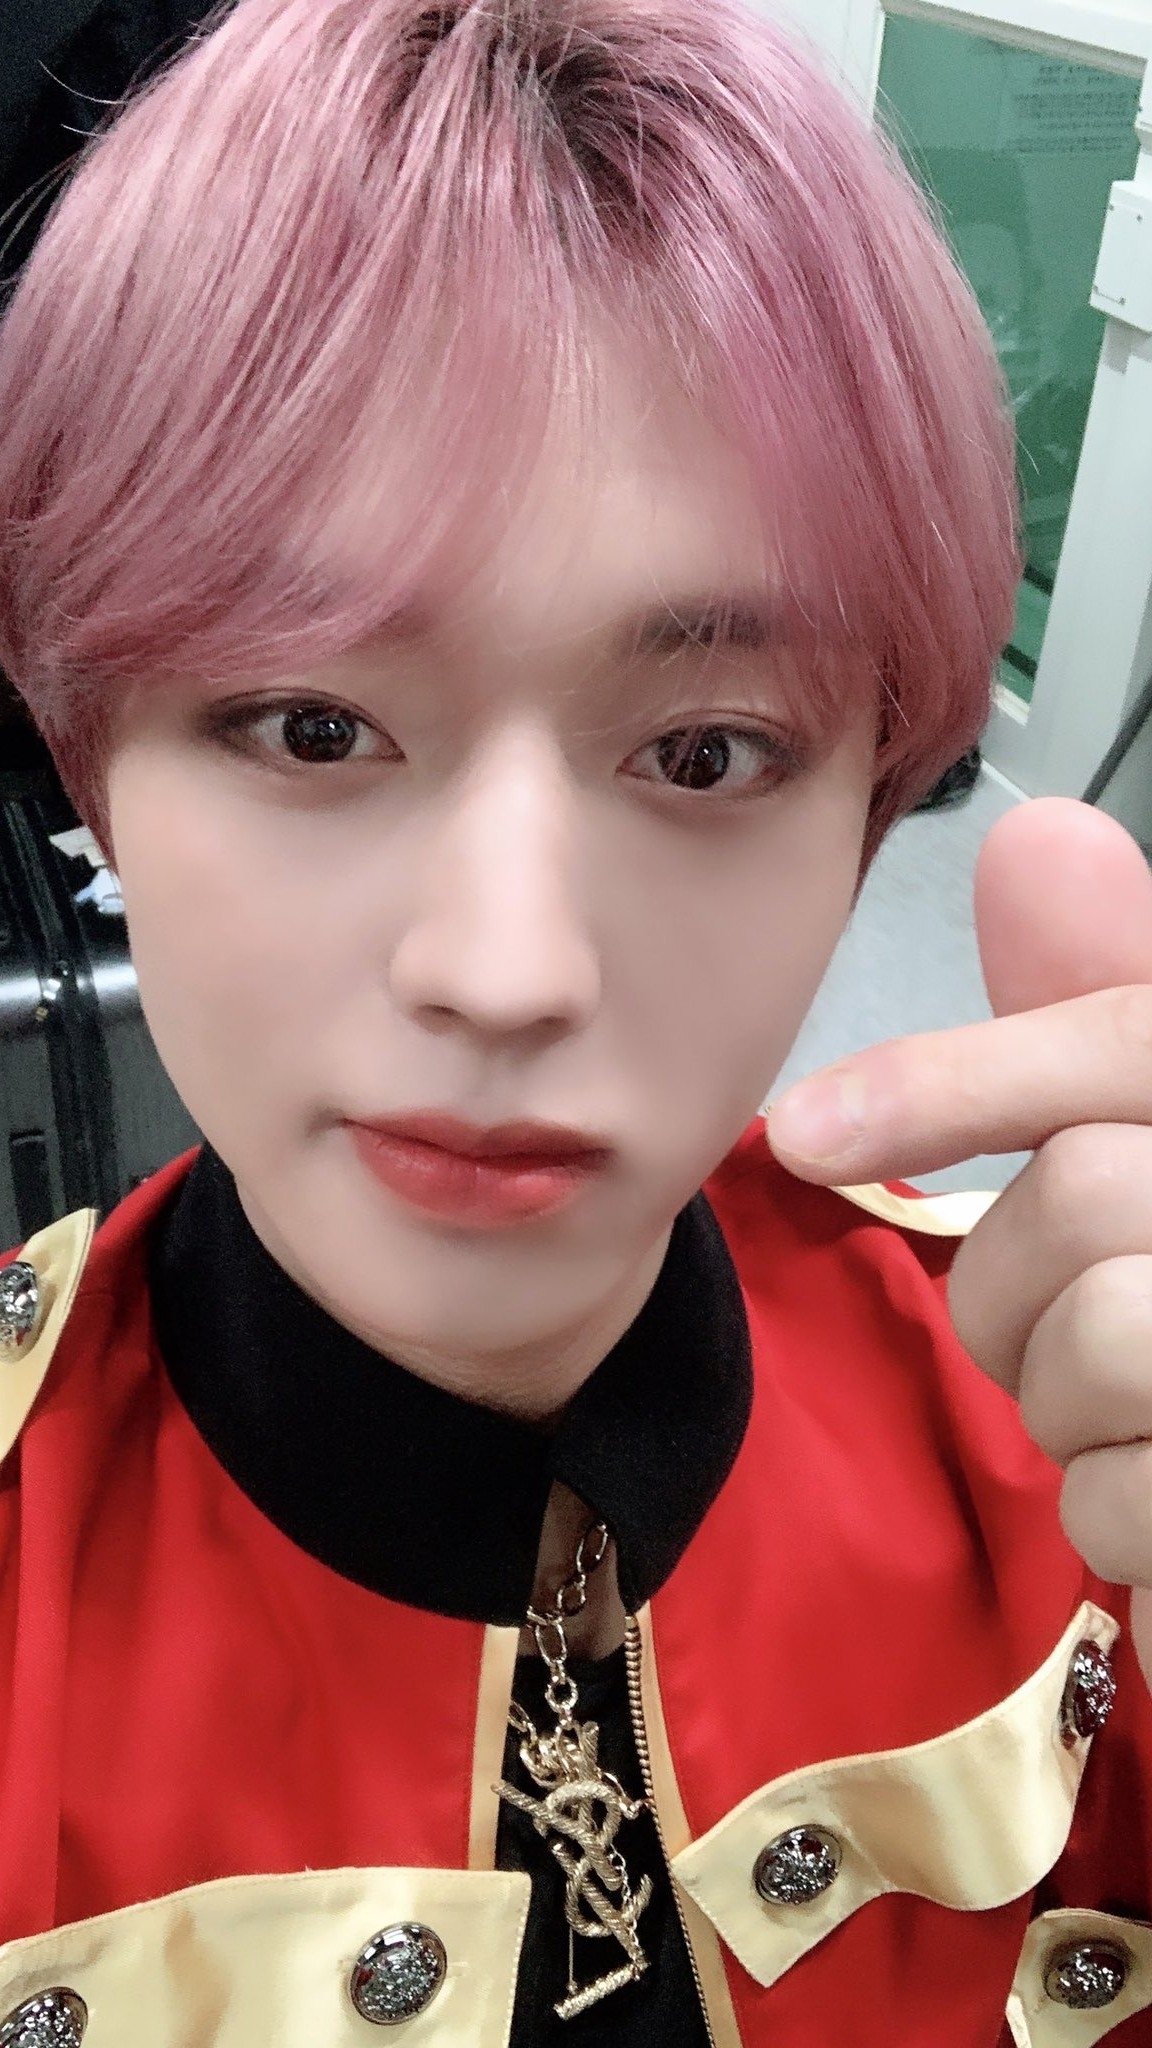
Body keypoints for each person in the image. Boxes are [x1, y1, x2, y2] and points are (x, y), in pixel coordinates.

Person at [2, 1, 1152, 2042]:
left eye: (705, 751)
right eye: (313, 725)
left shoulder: (1075, 1458)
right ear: (90, 766)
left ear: (870, 803)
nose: (507, 967)